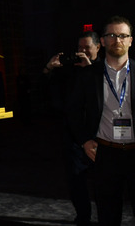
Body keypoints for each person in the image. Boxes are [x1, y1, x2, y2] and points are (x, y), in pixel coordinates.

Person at [69, 16, 135, 225]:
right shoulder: (89, 75)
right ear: (103, 41)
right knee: (107, 214)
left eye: (123, 35)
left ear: (131, 40)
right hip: (105, 154)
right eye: (112, 35)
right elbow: (73, 111)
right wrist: (84, 140)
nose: (118, 40)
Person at [43, 31, 100, 225]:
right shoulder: (71, 69)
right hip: (73, 134)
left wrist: (90, 68)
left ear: (98, 47)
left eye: (87, 48)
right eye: (79, 48)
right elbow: (47, 92)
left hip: (100, 133)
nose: (82, 52)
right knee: (76, 180)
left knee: (103, 181)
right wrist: (49, 69)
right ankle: (83, 217)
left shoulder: (103, 68)